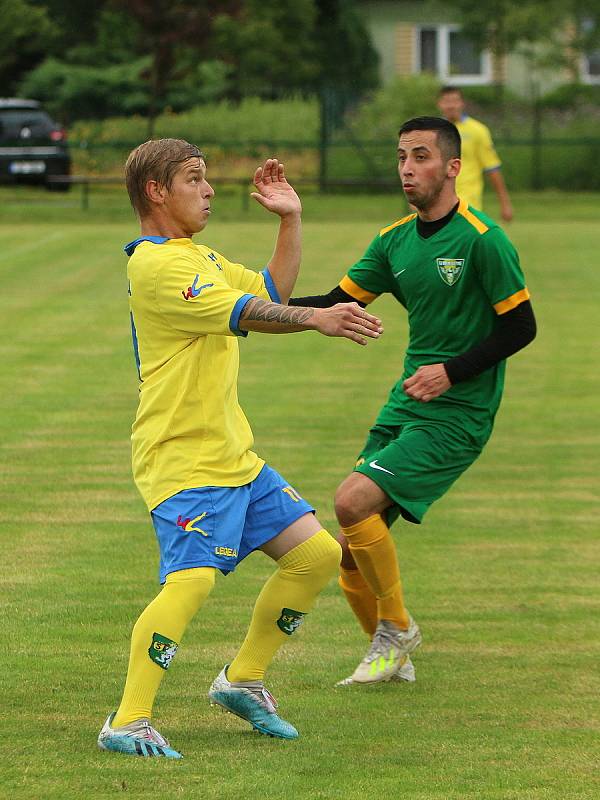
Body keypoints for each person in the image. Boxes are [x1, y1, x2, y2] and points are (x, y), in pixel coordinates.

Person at [97, 139, 384, 758]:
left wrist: (290, 218)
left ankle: (244, 680)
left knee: (314, 555)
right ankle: (128, 719)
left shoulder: (196, 256)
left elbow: (271, 291)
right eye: (194, 179)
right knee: (192, 581)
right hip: (182, 458)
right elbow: (253, 313)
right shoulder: (156, 265)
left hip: (233, 455)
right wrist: (316, 319)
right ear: (156, 192)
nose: (209, 190)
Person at [289, 116, 536, 686]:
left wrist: (451, 372)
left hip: (459, 412)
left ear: (452, 167)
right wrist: (245, 311)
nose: (407, 168)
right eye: (401, 156)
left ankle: (396, 628)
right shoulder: (393, 240)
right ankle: (392, 653)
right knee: (351, 551)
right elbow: (333, 300)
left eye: (421, 156)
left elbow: (520, 327)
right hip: (407, 404)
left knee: (351, 502)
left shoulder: (482, 239)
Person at [437, 86, 513, 222]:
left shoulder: (478, 130)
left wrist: (505, 204)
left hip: (468, 202)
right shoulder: (434, 131)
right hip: (438, 202)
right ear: (440, 104)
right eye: (447, 101)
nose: (451, 105)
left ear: (462, 103)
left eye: (454, 101)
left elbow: (492, 168)